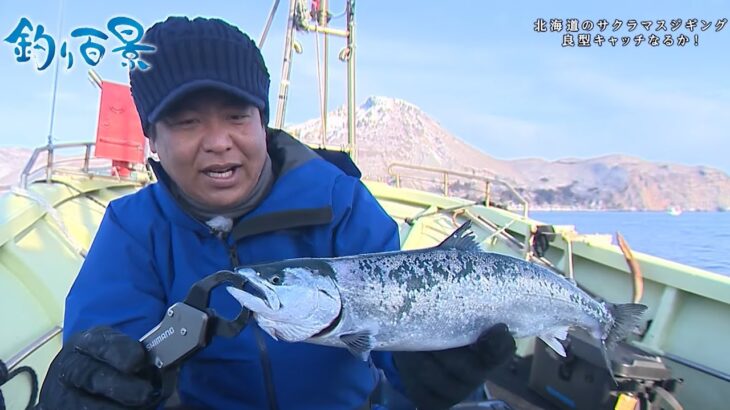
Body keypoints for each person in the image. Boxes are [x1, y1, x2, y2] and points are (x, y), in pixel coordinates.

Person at [37, 16, 515, 410]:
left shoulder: (339, 203)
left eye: (237, 116)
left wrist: (429, 381)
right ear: (153, 140)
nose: (218, 140)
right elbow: (112, 355)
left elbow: (398, 343)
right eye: (186, 122)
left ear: (263, 122)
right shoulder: (134, 229)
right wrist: (89, 387)